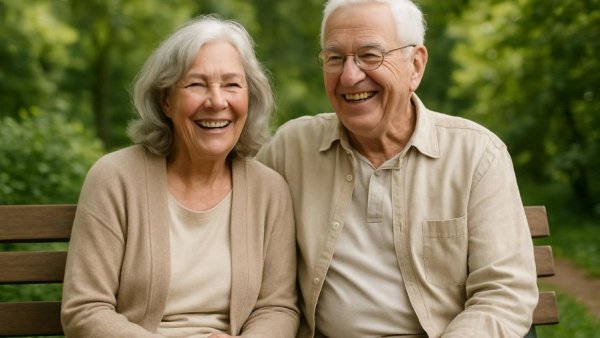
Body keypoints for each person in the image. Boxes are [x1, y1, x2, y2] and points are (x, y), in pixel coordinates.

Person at [256, 0, 538, 337]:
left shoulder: (477, 155)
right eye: (334, 58)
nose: (349, 75)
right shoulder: (292, 149)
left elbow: (503, 294)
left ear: (415, 65)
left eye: (370, 55)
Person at [61, 15, 299, 337]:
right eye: (197, 84)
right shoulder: (115, 179)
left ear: (249, 98)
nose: (217, 101)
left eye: (231, 84)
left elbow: (277, 308)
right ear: (166, 100)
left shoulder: (269, 190)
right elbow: (85, 309)